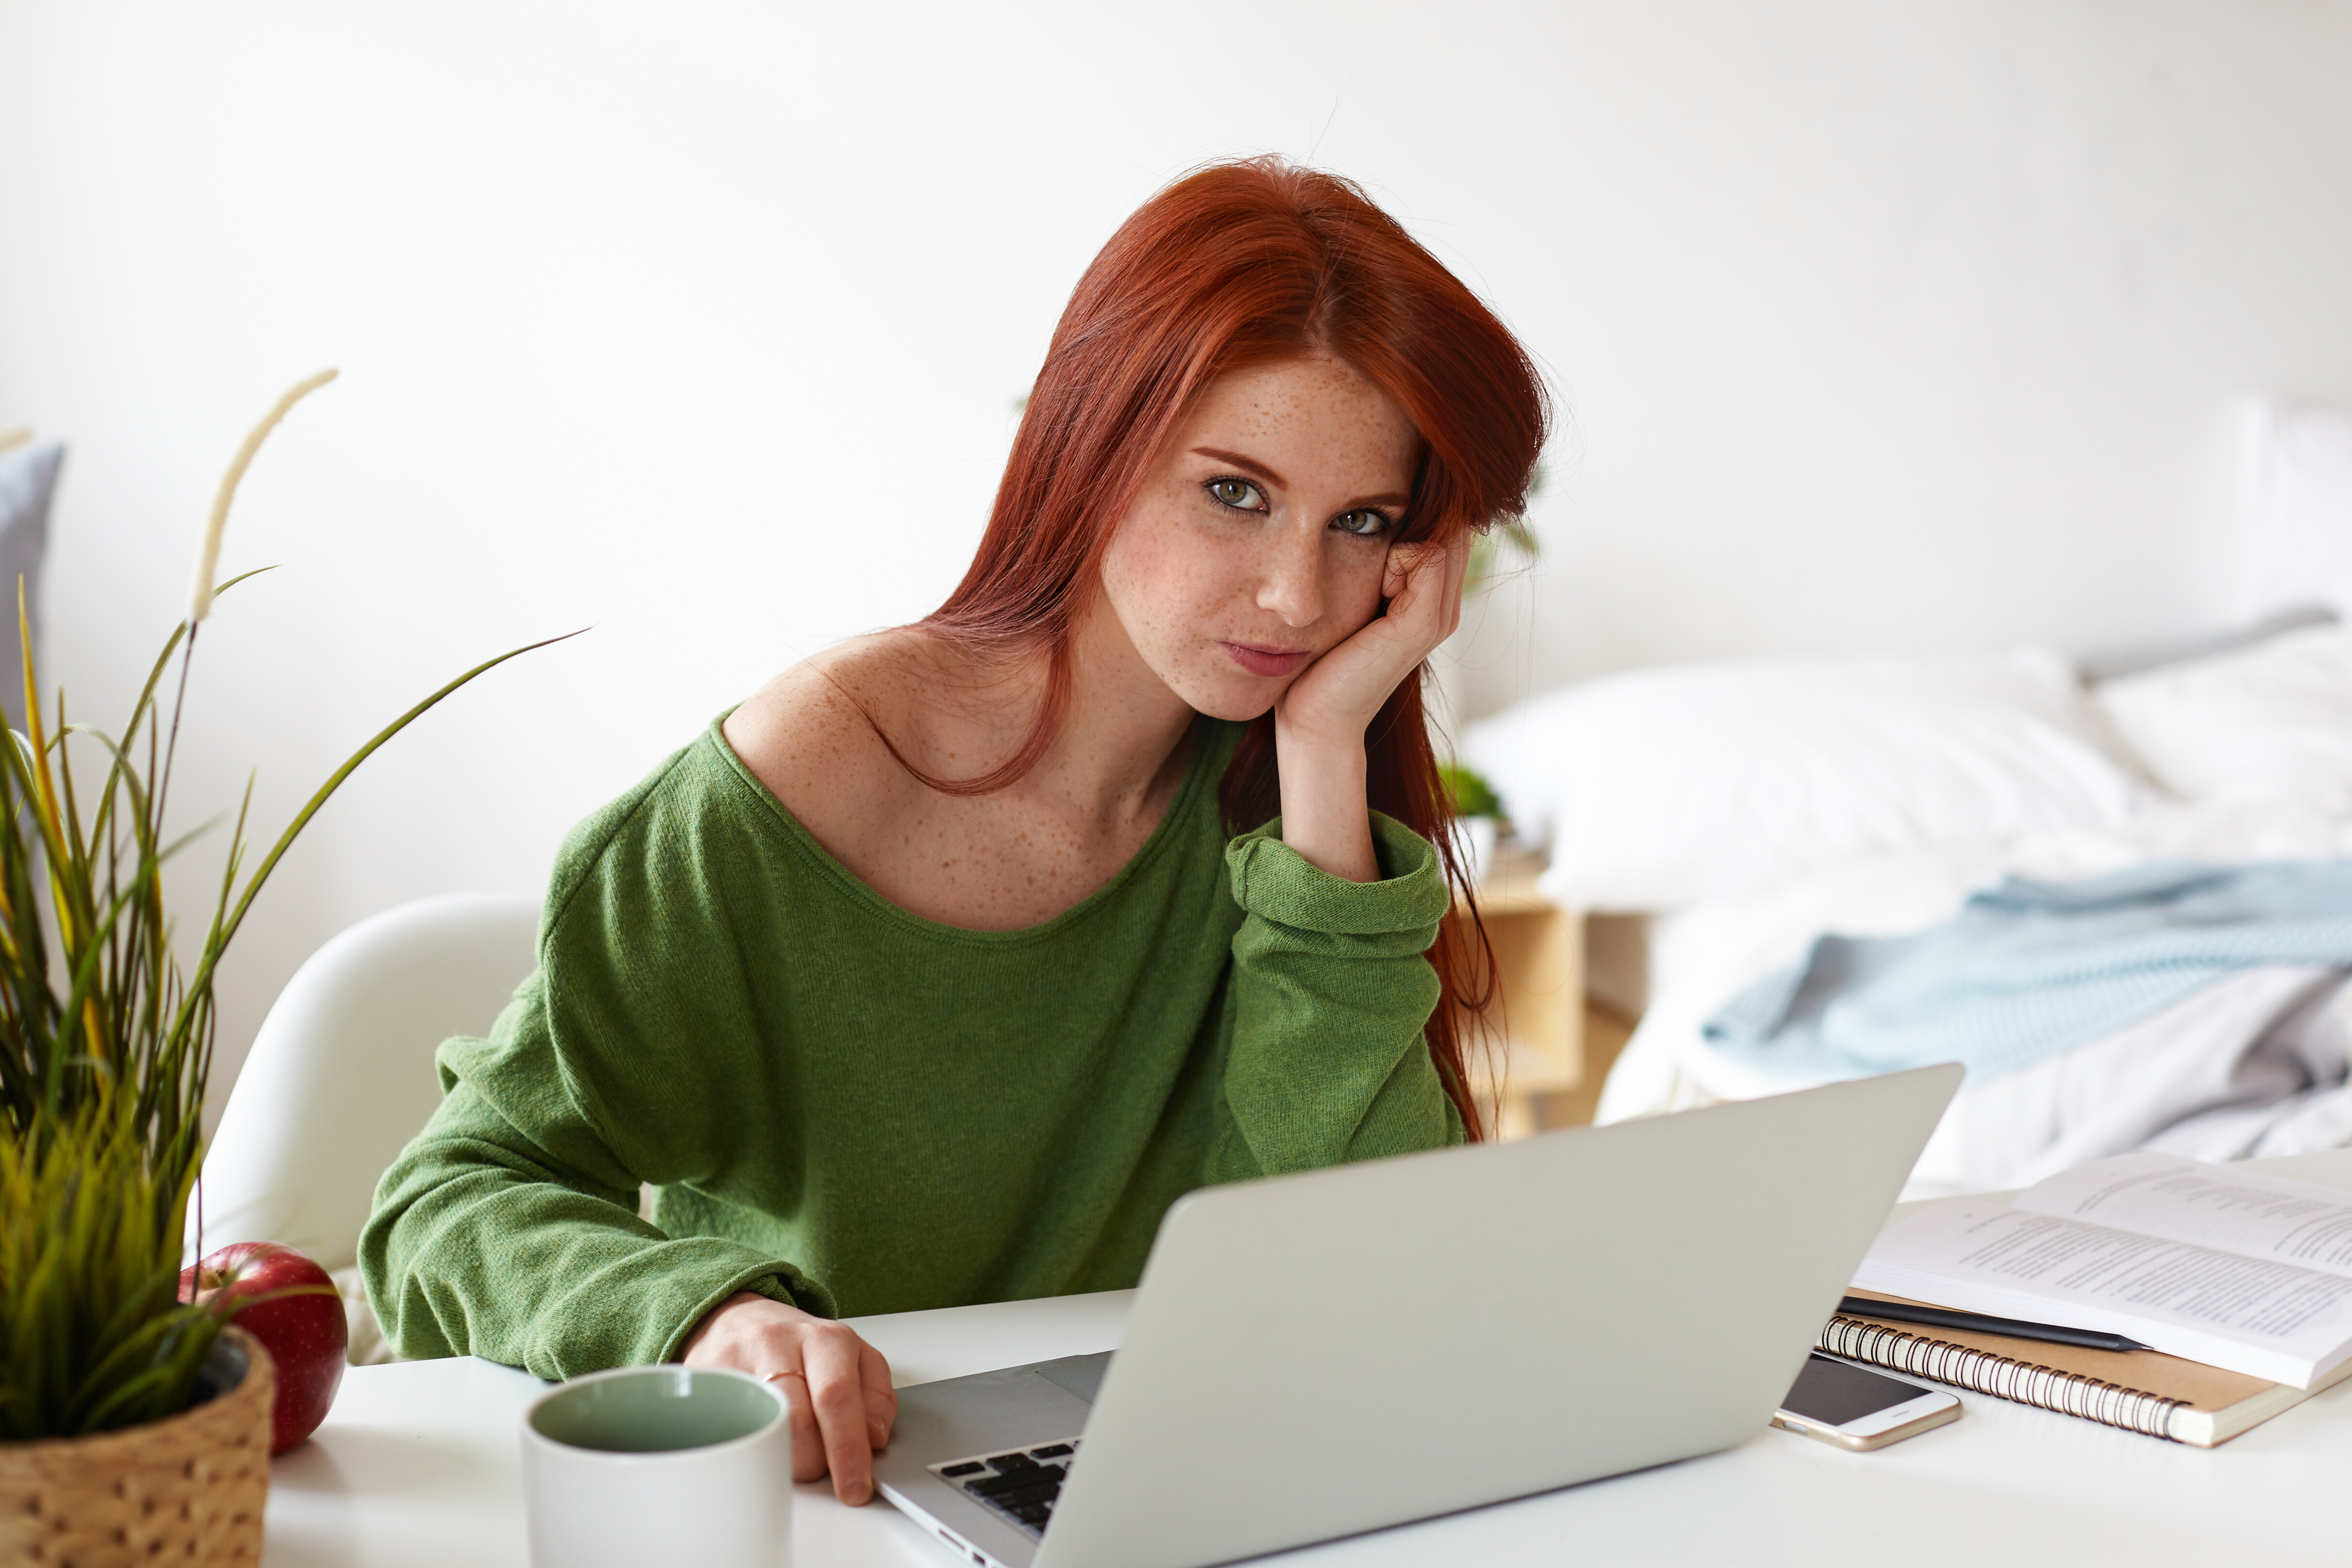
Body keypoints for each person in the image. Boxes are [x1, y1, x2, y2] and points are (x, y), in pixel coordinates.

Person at [360, 157, 1547, 1507]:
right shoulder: (803, 778)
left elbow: (1372, 1263)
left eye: (1363, 524)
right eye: (1233, 492)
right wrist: (705, 1317)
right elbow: (449, 1197)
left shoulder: (1291, 812)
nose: (1295, 592)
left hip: (1184, 1490)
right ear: (1091, 449)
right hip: (837, 1507)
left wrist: (1329, 748)